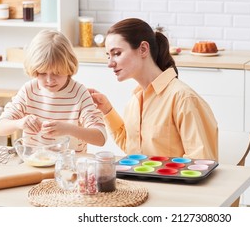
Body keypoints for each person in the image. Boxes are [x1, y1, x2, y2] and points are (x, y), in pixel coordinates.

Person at [89, 18, 218, 160]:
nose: (110, 63)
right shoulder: (135, 101)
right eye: (108, 56)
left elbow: (202, 162)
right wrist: (107, 109)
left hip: (168, 182)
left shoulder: (183, 98)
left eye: (117, 53)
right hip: (140, 181)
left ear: (143, 49)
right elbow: (133, 149)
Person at [0, 29, 106, 152]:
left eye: (57, 73)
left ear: (69, 67)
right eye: (42, 73)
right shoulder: (29, 91)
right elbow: (0, 128)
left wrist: (69, 129)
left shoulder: (79, 93)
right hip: (35, 163)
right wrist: (19, 123)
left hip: (69, 166)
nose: (49, 80)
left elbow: (101, 138)